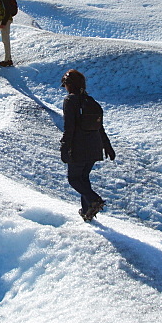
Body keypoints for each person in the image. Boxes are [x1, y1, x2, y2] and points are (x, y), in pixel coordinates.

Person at [59, 69, 114, 222]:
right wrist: (107, 146)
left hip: (79, 148)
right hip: (94, 148)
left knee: (74, 179)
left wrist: (65, 148)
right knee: (83, 178)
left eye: (65, 85)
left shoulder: (70, 101)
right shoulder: (91, 102)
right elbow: (100, 127)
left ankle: (94, 200)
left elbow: (69, 128)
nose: (65, 88)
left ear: (69, 85)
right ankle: (87, 211)